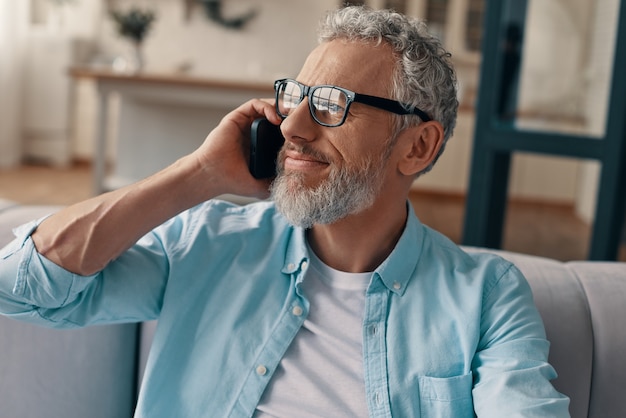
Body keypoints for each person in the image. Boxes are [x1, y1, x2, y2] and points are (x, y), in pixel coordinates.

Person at [0, 6, 569, 417]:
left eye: (331, 106)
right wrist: (200, 175)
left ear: (417, 146)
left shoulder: (485, 297)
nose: (291, 126)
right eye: (295, 96)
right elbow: (22, 288)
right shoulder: (211, 242)